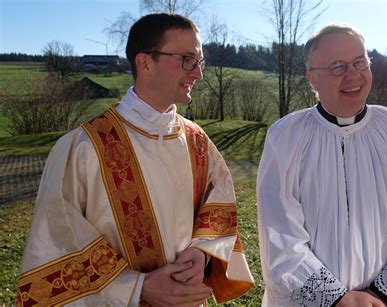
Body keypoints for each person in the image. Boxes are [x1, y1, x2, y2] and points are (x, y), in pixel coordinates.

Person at [16, 13, 253, 306]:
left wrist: (201, 252)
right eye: (187, 60)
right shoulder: (83, 147)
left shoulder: (197, 141)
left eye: (199, 62)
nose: (198, 74)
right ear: (145, 62)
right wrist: (137, 287)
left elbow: (217, 207)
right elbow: (58, 240)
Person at [257, 22, 387, 306]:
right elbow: (278, 231)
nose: (353, 75)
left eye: (359, 62)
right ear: (312, 79)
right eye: (337, 66)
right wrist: (332, 299)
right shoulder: (285, 137)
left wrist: (383, 293)